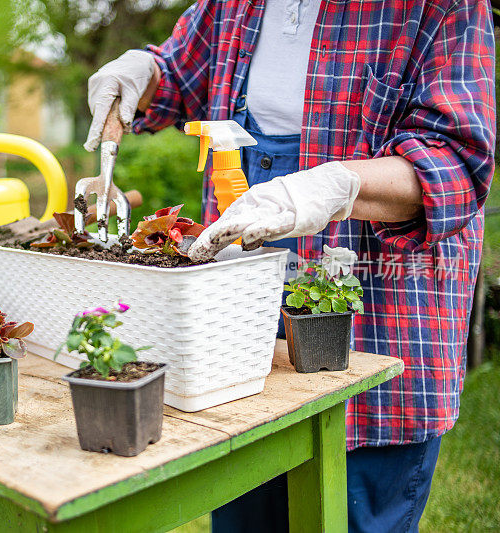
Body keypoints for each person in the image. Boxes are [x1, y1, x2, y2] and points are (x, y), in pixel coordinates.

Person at [84, 0, 496, 531]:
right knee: (244, 509)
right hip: (236, 315)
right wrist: (141, 72)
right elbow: (180, 72)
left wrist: (337, 185)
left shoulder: (440, 8)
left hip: (381, 306)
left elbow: (456, 163)